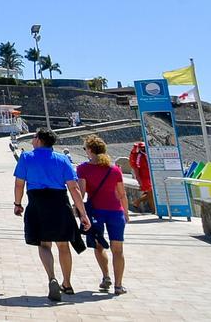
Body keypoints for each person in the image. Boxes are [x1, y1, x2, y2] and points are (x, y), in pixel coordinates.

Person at [14, 128, 92, 302]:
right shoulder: (63, 159)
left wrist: (18, 204)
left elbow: (19, 184)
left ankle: (52, 278)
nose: (33, 140)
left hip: (37, 202)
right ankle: (68, 283)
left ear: (40, 140)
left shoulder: (26, 158)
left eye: (34, 137)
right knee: (63, 245)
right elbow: (74, 188)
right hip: (59, 203)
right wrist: (83, 213)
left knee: (44, 244)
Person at [77, 135, 128, 295]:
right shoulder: (115, 169)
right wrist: (126, 213)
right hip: (116, 212)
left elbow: (82, 192)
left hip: (96, 212)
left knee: (99, 245)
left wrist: (78, 210)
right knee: (118, 249)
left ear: (90, 150)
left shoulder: (83, 168)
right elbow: (122, 194)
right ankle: (118, 286)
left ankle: (106, 276)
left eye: (85, 148)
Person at [128, 142, 153, 213]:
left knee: (150, 193)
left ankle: (137, 202)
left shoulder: (144, 154)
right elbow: (136, 167)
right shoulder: (138, 155)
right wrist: (139, 180)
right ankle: (138, 202)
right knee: (151, 193)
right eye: (142, 147)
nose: (143, 148)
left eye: (144, 147)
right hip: (144, 178)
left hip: (149, 177)